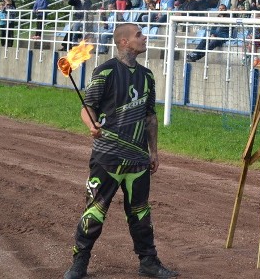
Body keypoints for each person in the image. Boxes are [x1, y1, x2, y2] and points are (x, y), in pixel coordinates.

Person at [63, 23, 178, 279]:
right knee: (95, 212)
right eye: (139, 35)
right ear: (124, 42)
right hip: (108, 157)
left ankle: (148, 262)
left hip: (138, 159)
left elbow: (150, 116)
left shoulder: (147, 76)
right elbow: (87, 107)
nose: (144, 37)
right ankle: (79, 262)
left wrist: (154, 152)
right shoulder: (105, 71)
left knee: (141, 213)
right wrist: (90, 125)